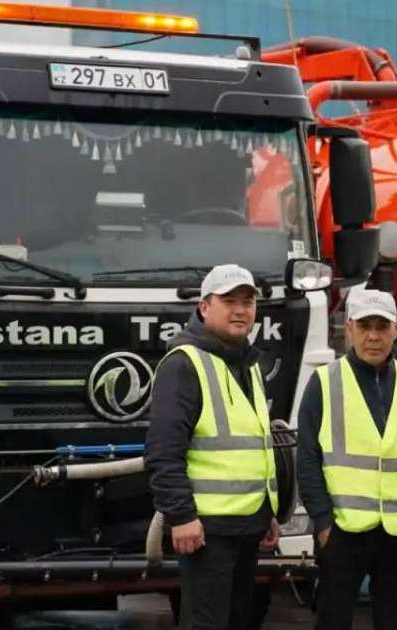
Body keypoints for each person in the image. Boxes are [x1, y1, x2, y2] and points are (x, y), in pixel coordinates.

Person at [145, 264, 280, 630]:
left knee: (239, 621)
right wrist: (182, 516)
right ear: (204, 307)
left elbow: (254, 447)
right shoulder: (184, 365)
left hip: (247, 526)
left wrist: (266, 511)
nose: (240, 310)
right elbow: (162, 452)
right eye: (229, 301)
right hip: (207, 531)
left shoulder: (247, 363)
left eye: (248, 302)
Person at [296, 287, 397, 630]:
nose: (373, 336)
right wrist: (323, 522)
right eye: (364, 326)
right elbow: (308, 459)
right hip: (344, 531)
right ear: (349, 329)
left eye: (381, 326)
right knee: (333, 620)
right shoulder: (324, 383)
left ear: (396, 329)